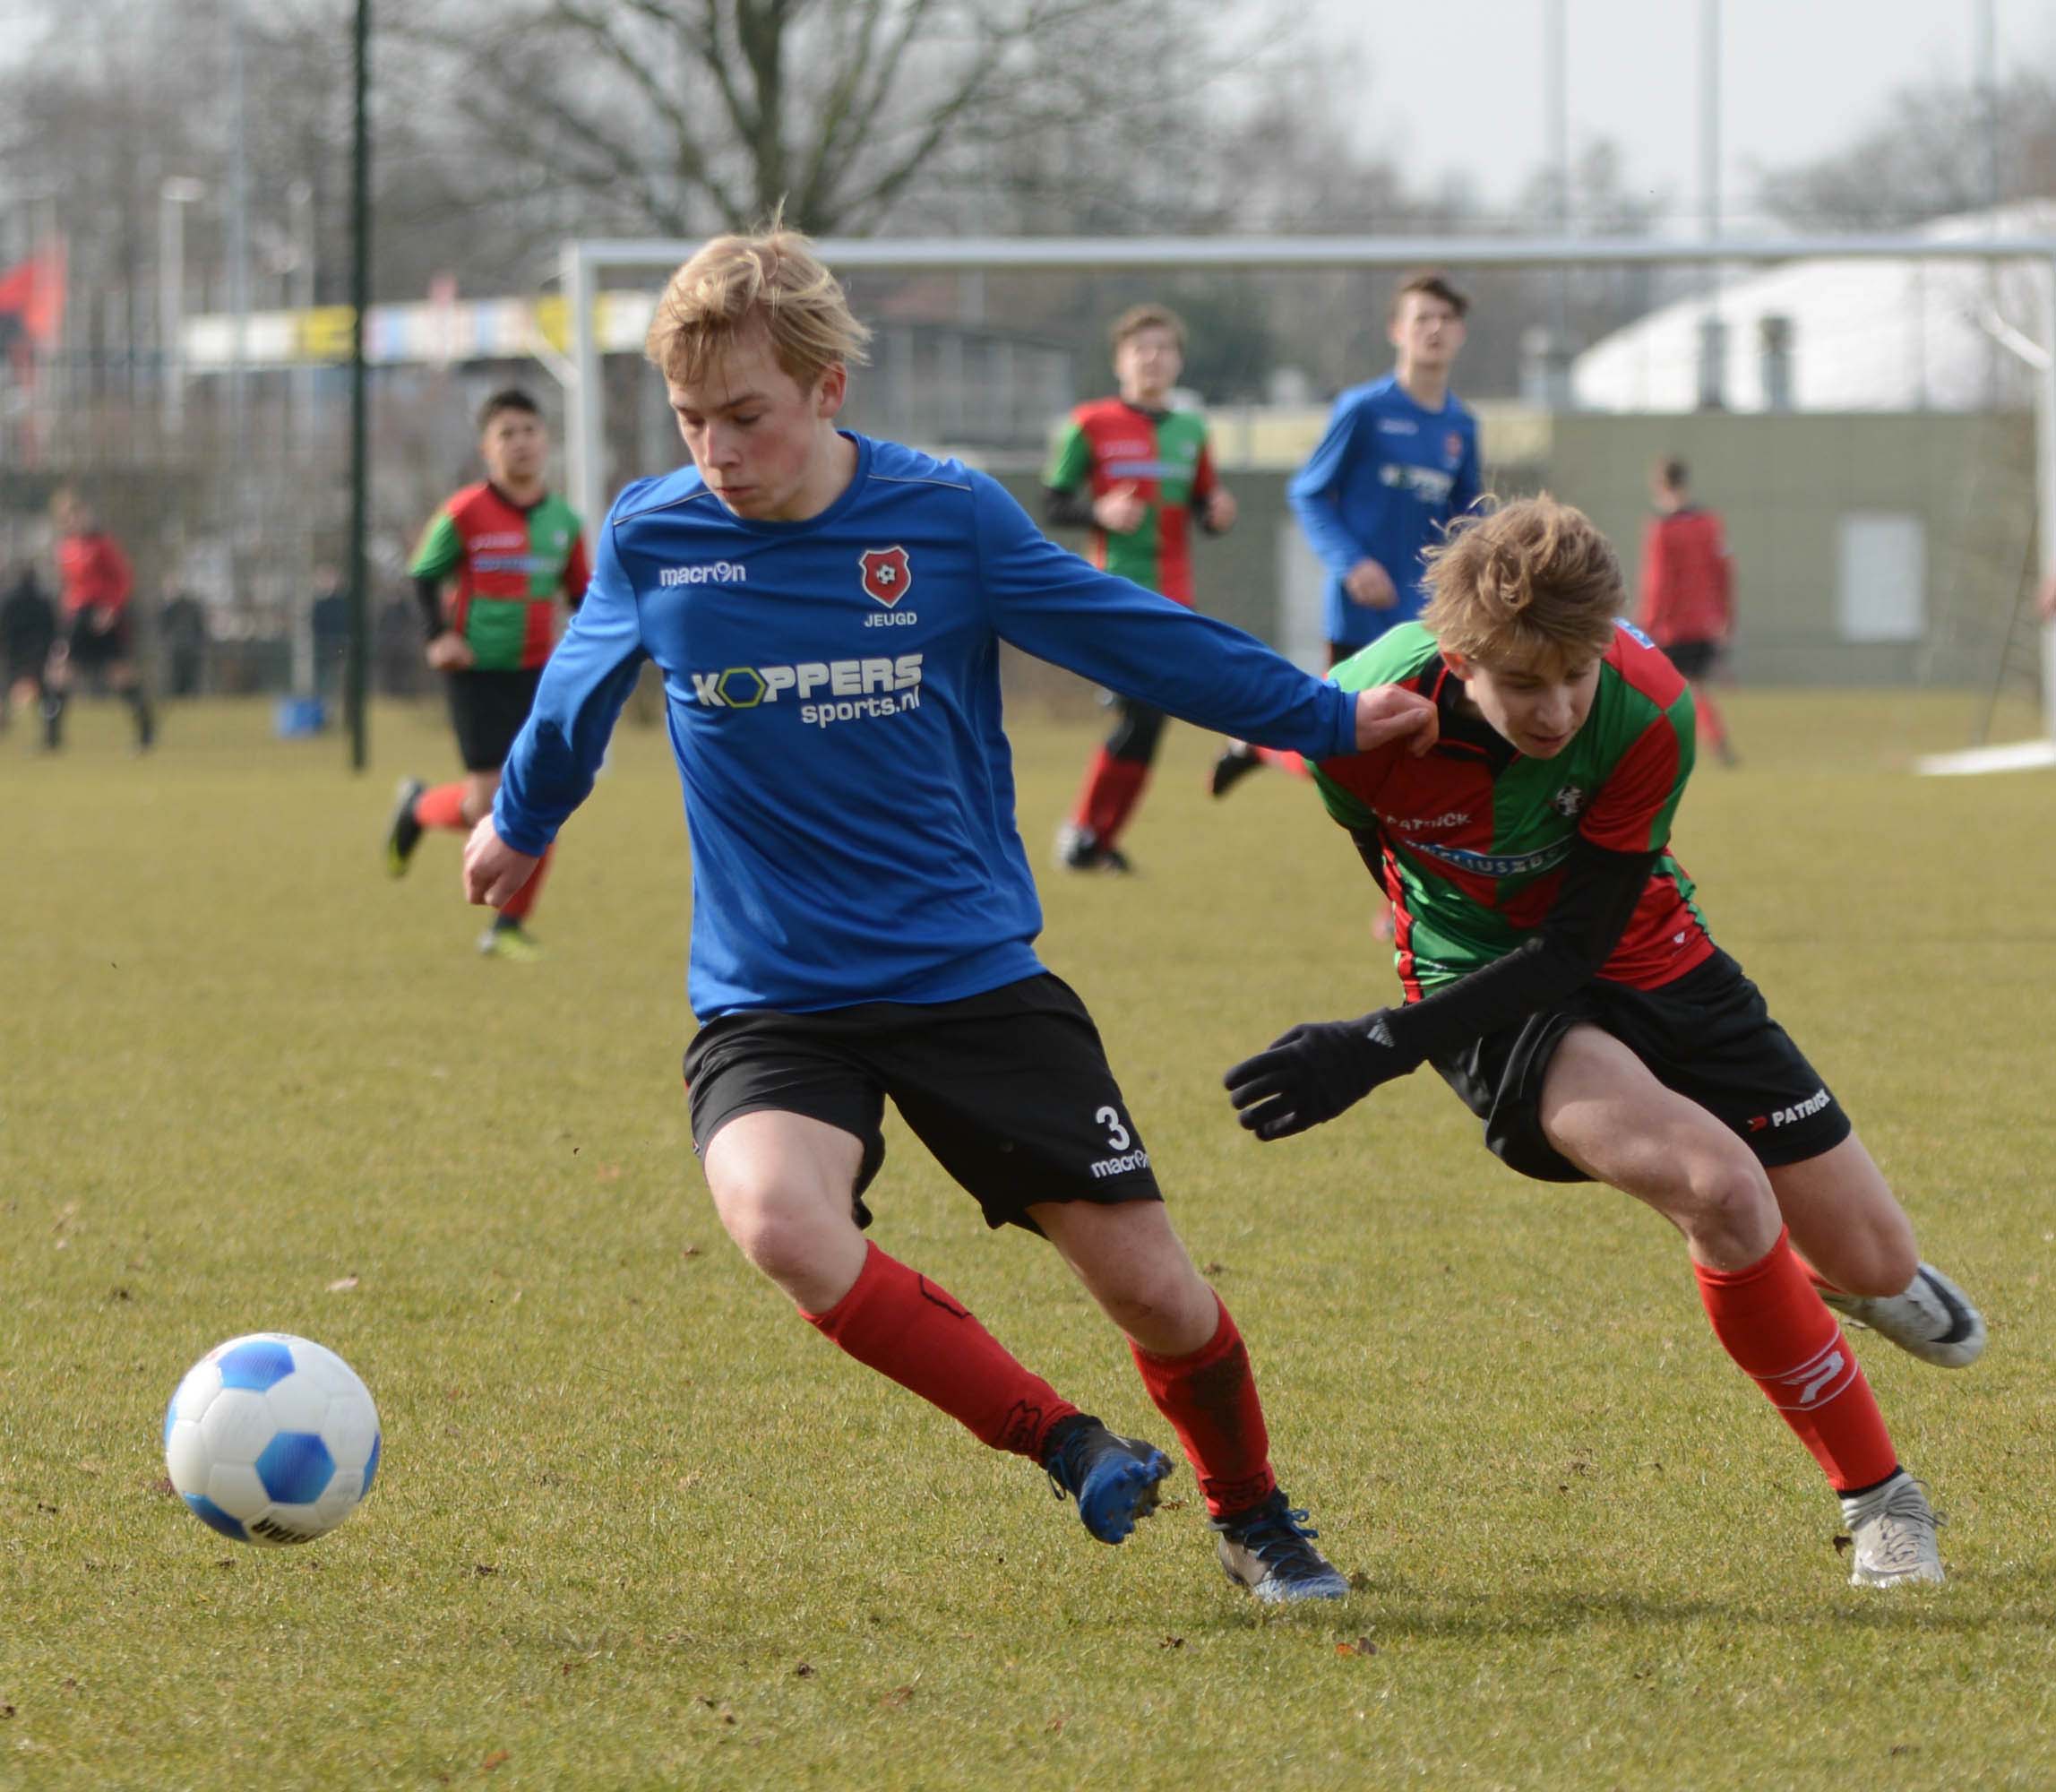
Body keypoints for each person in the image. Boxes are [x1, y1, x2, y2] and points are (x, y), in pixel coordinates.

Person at [461, 222, 1441, 1601]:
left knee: (1157, 1294)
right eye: (690, 422)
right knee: (777, 1223)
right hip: (772, 1001)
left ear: (823, 391)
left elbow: (1131, 633)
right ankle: (1064, 1444)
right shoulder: (652, 535)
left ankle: (1253, 1515)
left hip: (968, 980)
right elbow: (571, 702)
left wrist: (1327, 719)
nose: (716, 454)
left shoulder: (945, 519)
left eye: (744, 417)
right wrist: (518, 820)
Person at [1222, 495, 1983, 1590]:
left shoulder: (1647, 706)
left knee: (1875, 1260)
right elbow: (1375, 845)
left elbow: (1580, 939)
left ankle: (1829, 1279)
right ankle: (1883, 1500)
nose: (1558, 707)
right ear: (1462, 655)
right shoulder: (1358, 718)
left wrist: (1374, 1046)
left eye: (1576, 673)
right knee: (1718, 1188)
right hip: (1489, 991)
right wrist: (1416, 979)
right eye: (1525, 682)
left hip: (1647, 953)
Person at [1211, 269, 1482, 807]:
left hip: (1429, 615)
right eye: (1422, 318)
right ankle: (1261, 745)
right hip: (1361, 611)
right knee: (1341, 753)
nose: (1435, 329)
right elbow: (1309, 493)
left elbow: (1467, 518)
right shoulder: (1363, 410)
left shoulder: (1461, 425)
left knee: (1430, 750)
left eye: (1446, 319)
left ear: (1461, 334)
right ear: (1396, 330)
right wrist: (1351, 563)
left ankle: (1413, 882)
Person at [383, 389, 589, 960]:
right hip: (475, 675)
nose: (520, 442)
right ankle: (419, 808)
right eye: (507, 433)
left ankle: (508, 929)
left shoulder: (564, 521)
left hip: (536, 677)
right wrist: (438, 636)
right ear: (487, 448)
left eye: (529, 430)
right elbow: (422, 576)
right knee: (486, 807)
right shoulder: (464, 512)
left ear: (545, 441)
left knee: (541, 797)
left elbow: (582, 598)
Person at [1045, 303, 1236, 873]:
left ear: (1178, 361)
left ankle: (1096, 841)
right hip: (1112, 592)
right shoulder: (1090, 423)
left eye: (1164, 349)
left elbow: (1205, 503)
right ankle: (1084, 835)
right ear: (1120, 360)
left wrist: (1218, 512)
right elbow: (1054, 502)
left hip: (1174, 595)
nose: (1153, 359)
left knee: (1150, 722)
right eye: (1141, 349)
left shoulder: (1192, 429)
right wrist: (1098, 510)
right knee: (1142, 715)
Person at [1638, 458, 1737, 766]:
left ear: (1660, 485)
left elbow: (1658, 582)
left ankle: (1658, 752)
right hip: (1704, 624)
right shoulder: (1709, 524)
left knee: (1657, 692)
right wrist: (1726, 617)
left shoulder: (1662, 530)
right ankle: (1716, 740)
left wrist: (1647, 623)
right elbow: (1725, 569)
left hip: (1671, 627)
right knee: (1695, 687)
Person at [44, 489, 153, 752]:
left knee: (120, 675)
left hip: (102, 615)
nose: (73, 521)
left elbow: (124, 579)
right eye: (67, 517)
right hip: (77, 618)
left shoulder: (102, 545)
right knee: (59, 672)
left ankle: (145, 731)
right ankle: (52, 738)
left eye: (77, 515)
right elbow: (70, 587)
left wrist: (111, 609)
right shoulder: (66, 549)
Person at [0, 557, 56, 737]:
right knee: (41, 690)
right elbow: (52, 626)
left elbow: (5, 625)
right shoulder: (44, 598)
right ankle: (49, 729)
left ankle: (8, 714)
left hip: (14, 651)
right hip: (39, 651)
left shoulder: (9, 599)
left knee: (15, 686)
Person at [159, 582, 207, 698]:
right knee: (187, 677)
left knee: (182, 677)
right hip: (187, 647)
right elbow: (200, 628)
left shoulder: (173, 608)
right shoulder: (191, 608)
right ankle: (187, 697)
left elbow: (164, 626)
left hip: (182, 647)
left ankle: (182, 697)